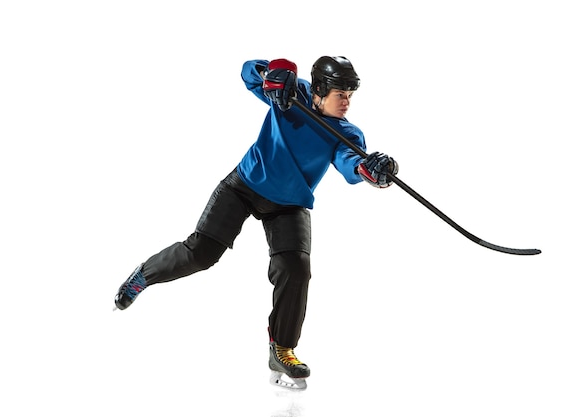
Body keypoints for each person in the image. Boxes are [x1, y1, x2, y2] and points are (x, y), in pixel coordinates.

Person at [113, 56, 398, 389]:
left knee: (296, 268)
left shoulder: (347, 132)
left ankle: (282, 349)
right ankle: (143, 276)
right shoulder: (292, 95)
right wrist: (272, 76)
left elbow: (351, 163)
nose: (347, 102)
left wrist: (370, 170)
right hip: (245, 186)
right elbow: (250, 72)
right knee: (201, 253)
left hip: (289, 204)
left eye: (351, 94)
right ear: (319, 90)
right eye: (341, 94)